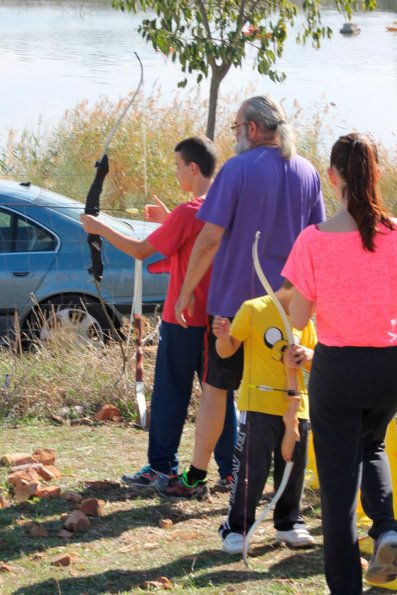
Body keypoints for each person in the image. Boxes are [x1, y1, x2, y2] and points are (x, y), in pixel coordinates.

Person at [163, 95, 325, 497]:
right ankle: (282, 488)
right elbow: (316, 243)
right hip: (287, 311)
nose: (235, 136)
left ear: (253, 128)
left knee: (218, 389)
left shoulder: (236, 169)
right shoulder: (308, 172)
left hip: (233, 307)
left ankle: (198, 476)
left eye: (236, 128)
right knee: (287, 393)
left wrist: (185, 292)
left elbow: (209, 239)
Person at [80, 136, 237, 490]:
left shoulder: (188, 212)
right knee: (220, 395)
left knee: (169, 394)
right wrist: (169, 220)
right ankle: (232, 471)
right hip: (221, 323)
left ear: (194, 168)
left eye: (179, 167)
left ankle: (162, 467)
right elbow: (197, 242)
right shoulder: (226, 207)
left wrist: (99, 227)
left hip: (184, 321)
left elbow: (139, 250)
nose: (177, 172)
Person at [282, 132, 397, 595]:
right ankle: (388, 530)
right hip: (389, 367)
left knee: (336, 493)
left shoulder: (313, 240)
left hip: (338, 370)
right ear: (377, 173)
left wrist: (294, 296)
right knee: (371, 446)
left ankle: (346, 587)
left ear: (333, 177)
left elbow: (299, 316)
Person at [214, 279, 316, 553]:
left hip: (296, 406)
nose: (313, 303)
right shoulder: (254, 308)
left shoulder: (303, 318)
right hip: (258, 403)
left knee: (293, 469)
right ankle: (236, 528)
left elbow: (316, 357)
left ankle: (289, 523)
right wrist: (223, 336)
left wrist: (307, 353)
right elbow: (226, 350)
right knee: (251, 469)